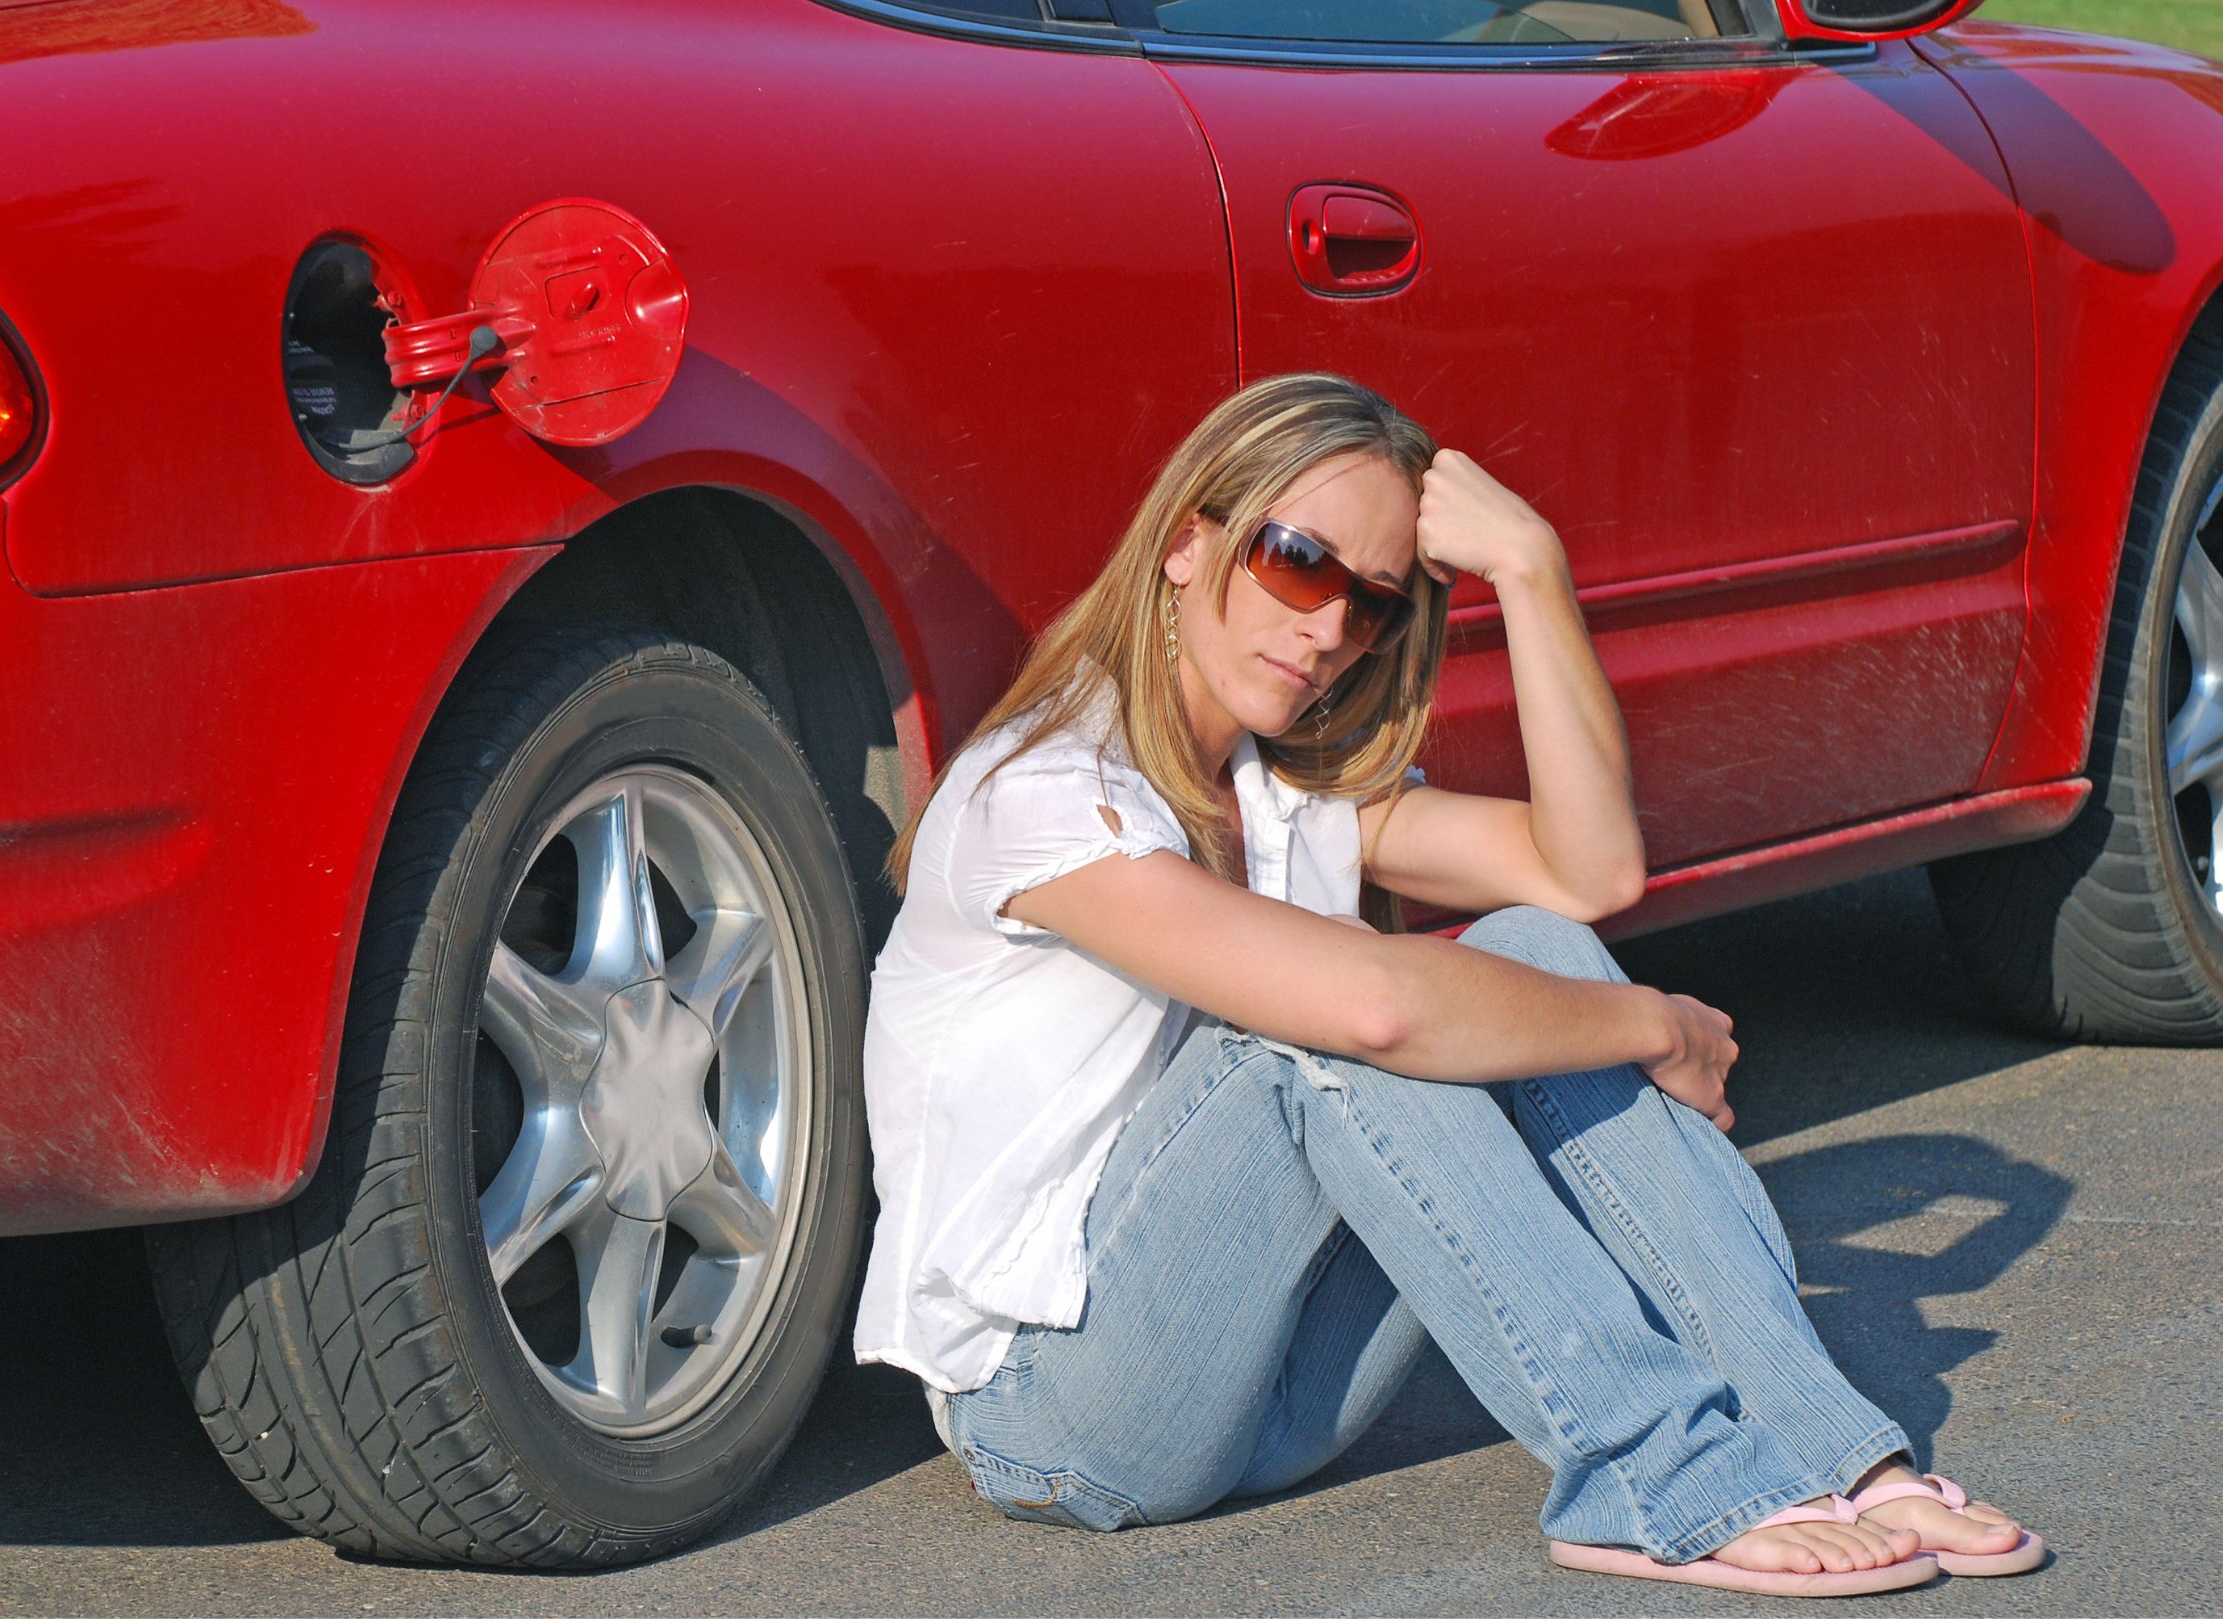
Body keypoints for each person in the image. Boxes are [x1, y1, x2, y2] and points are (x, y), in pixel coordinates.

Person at [852, 373, 2045, 1595]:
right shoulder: (1046, 792)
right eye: (1297, 563)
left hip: (1277, 1380)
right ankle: (1657, 1478)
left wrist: (1531, 570)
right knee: (1328, 1029)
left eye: (1369, 603)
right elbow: (1374, 1009)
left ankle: (1820, 1447)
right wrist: (1650, 1024)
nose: (1325, 630)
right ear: (1183, 543)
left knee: (1527, 946)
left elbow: (1585, 873)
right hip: (1059, 1412)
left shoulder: (1283, 791)